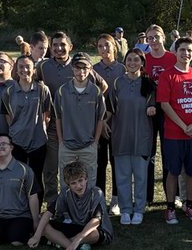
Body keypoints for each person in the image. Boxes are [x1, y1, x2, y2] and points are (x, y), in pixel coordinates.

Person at [156, 36, 192, 224]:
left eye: (189, 50)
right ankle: (171, 207)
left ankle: (189, 205)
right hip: (174, 134)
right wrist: (183, 125)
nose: (186, 53)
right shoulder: (167, 75)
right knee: (173, 171)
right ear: (175, 52)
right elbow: (165, 105)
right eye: (182, 50)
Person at [108, 48, 156, 225]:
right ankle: (126, 209)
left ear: (142, 63)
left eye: (136, 60)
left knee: (141, 175)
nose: (132, 63)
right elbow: (110, 109)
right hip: (121, 135)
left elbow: (154, 105)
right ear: (125, 62)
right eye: (129, 60)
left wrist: (153, 108)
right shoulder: (117, 83)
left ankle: (139, 209)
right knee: (122, 175)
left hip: (142, 135)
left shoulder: (149, 83)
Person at [28, 160, 113, 250]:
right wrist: (36, 236)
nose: (78, 186)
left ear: (86, 179)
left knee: (94, 234)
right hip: (76, 226)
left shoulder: (96, 193)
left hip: (95, 230)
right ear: (68, 184)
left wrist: (77, 240)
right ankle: (73, 247)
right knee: (42, 222)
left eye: (80, 180)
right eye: (73, 183)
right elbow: (49, 212)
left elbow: (96, 221)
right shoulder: (66, 193)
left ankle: (57, 242)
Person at [54, 52, 107, 197]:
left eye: (85, 68)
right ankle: (66, 214)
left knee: (89, 181)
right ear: (72, 68)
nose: (81, 72)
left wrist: (95, 142)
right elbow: (58, 117)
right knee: (66, 182)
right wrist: (61, 140)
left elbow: (100, 119)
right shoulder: (62, 91)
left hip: (88, 145)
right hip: (67, 145)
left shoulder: (96, 92)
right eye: (77, 68)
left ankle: (88, 212)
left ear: (90, 69)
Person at [0, 133, 41, 246]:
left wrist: (35, 221)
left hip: (20, 215)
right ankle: (1, 232)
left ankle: (11, 233)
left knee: (17, 242)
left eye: (3, 144)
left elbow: (32, 196)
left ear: (11, 147)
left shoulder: (25, 170)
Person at [4, 55, 51, 198]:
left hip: (38, 141)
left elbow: (47, 115)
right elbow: (8, 115)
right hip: (17, 141)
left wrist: (39, 130)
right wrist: (17, 130)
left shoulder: (42, 90)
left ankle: (36, 211)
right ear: (16, 70)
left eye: (28, 67)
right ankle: (20, 208)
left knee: (36, 175)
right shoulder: (9, 91)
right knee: (18, 176)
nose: (25, 70)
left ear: (34, 69)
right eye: (21, 67)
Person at [143, 24, 177, 204]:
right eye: (150, 38)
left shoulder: (172, 58)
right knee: (149, 153)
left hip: (169, 110)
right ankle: (148, 196)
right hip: (149, 109)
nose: (154, 41)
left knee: (169, 152)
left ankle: (172, 194)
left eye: (156, 37)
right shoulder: (144, 59)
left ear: (163, 37)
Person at [93, 34, 126, 214]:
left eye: (107, 45)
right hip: (98, 123)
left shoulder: (122, 69)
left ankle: (116, 199)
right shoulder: (93, 69)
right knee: (99, 162)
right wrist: (102, 121)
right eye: (100, 46)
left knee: (116, 161)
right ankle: (99, 199)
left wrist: (109, 120)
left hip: (117, 123)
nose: (104, 49)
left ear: (114, 47)